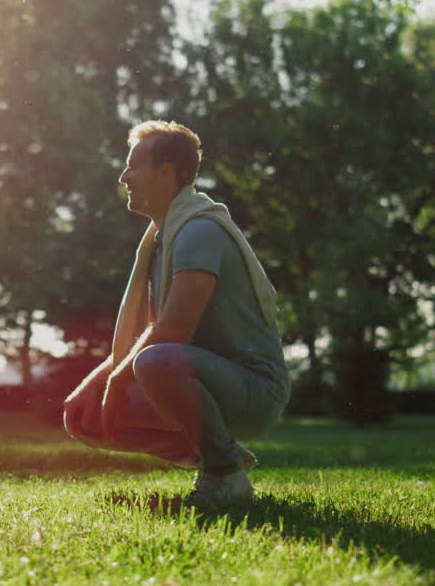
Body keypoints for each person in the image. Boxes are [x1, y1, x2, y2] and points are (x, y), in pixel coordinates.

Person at [62, 120, 289, 513]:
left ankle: (224, 475)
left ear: (166, 172)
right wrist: (93, 385)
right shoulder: (163, 237)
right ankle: (222, 454)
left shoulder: (199, 231)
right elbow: (156, 330)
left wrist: (117, 381)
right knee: (85, 416)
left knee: (154, 361)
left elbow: (173, 331)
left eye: (133, 166)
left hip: (255, 389)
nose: (124, 176)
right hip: (204, 379)